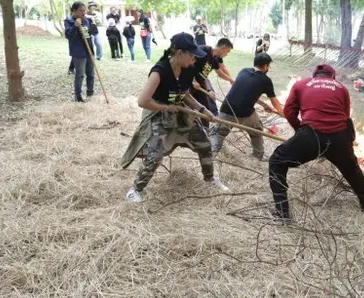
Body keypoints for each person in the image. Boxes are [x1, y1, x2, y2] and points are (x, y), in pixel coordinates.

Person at [121, 33, 229, 202]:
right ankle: (136, 190)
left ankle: (209, 179)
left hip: (180, 111)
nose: (194, 59)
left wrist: (202, 109)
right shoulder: (160, 71)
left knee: (205, 144)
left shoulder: (188, 68)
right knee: (155, 154)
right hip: (158, 113)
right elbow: (143, 101)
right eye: (191, 55)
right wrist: (166, 107)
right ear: (179, 53)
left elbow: (184, 93)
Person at [268, 64, 364, 222]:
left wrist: (300, 132)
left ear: (314, 75)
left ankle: (282, 213)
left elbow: (289, 112)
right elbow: (345, 116)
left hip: (312, 135)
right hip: (340, 137)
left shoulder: (301, 84)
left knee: (276, 161)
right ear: (333, 77)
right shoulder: (341, 88)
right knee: (352, 169)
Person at [211, 53, 284, 160]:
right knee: (257, 130)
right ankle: (257, 156)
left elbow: (246, 92)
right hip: (244, 113)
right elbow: (275, 102)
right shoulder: (266, 80)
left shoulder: (243, 71)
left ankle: (210, 155)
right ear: (265, 66)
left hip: (226, 108)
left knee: (219, 133)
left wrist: (264, 105)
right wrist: (283, 114)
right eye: (268, 66)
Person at [192, 38, 235, 115]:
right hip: (188, 83)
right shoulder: (203, 50)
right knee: (191, 107)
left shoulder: (215, 59)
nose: (227, 54)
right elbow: (189, 64)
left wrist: (209, 90)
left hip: (200, 85)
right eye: (227, 51)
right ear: (223, 47)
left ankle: (206, 124)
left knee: (205, 109)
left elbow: (219, 74)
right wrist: (193, 80)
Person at [64, 1, 95, 102]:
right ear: (74, 11)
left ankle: (90, 92)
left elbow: (91, 34)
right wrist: (75, 26)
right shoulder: (69, 21)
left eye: (84, 10)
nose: (83, 13)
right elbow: (69, 36)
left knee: (91, 73)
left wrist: (92, 26)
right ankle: (78, 96)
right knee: (80, 74)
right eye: (80, 10)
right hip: (78, 52)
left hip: (88, 50)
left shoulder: (86, 21)